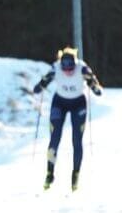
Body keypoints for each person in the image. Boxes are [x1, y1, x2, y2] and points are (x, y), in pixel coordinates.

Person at [31, 47, 103, 191]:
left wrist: (95, 88)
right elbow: (45, 80)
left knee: (77, 140)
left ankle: (75, 174)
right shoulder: (56, 67)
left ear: (75, 64)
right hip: (60, 103)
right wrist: (40, 86)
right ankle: (49, 173)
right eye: (65, 68)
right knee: (55, 138)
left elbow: (93, 82)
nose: (68, 72)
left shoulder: (82, 68)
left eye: (71, 68)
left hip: (78, 103)